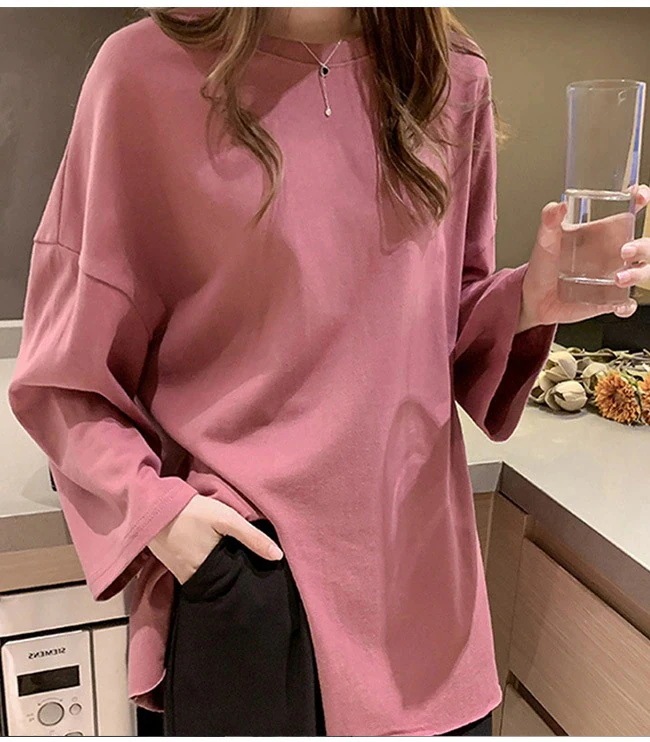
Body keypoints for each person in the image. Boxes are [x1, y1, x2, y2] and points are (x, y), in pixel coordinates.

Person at [8, 6, 650, 737]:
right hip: (250, 581)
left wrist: (530, 300)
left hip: (424, 602)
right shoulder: (142, 72)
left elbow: (440, 321)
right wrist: (164, 519)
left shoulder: (449, 74)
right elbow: (63, 377)